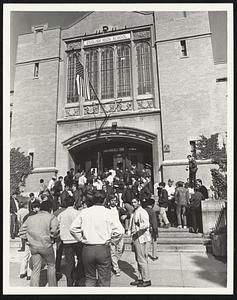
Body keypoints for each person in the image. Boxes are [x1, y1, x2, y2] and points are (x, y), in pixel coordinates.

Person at [70, 190, 124, 287]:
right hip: (103, 247)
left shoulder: (85, 212)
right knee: (104, 279)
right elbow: (120, 231)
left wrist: (81, 239)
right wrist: (113, 241)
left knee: (90, 278)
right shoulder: (109, 213)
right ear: (104, 200)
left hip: (88, 248)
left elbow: (73, 228)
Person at [19, 200, 59, 286]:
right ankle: (53, 287)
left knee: (36, 269)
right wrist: (52, 238)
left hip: (33, 246)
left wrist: (27, 240)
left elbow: (21, 231)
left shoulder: (31, 218)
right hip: (46, 245)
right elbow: (55, 231)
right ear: (50, 208)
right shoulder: (52, 217)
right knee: (51, 266)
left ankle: (34, 289)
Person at [57, 196, 84, 286]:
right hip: (76, 240)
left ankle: (69, 281)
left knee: (69, 262)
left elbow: (58, 227)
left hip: (66, 241)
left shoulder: (61, 214)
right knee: (80, 259)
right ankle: (78, 277)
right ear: (73, 203)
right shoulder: (78, 213)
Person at [128, 198, 152, 287]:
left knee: (142, 259)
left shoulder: (142, 211)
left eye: (135, 202)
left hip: (141, 237)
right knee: (138, 259)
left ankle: (147, 279)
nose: (133, 204)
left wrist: (138, 225)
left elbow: (146, 224)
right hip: (135, 237)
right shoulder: (135, 212)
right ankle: (140, 278)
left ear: (139, 202)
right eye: (132, 202)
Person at [19, 200, 41, 280]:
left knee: (25, 255)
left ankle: (22, 272)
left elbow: (23, 227)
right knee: (32, 256)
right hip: (33, 238)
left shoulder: (26, 216)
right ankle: (29, 273)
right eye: (38, 207)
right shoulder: (36, 217)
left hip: (26, 238)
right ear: (36, 208)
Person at [106, 194, 125, 276]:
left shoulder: (119, 209)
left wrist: (126, 215)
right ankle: (116, 268)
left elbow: (127, 213)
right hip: (113, 233)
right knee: (113, 251)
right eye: (112, 200)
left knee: (120, 249)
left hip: (120, 231)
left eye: (115, 200)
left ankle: (113, 263)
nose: (113, 202)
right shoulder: (107, 210)